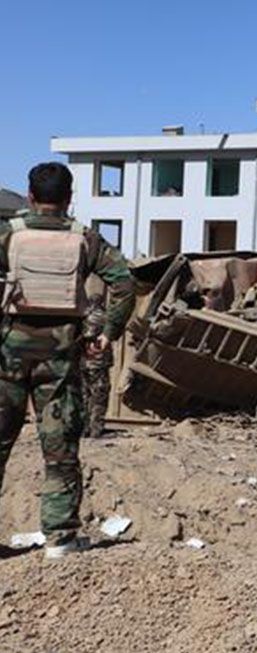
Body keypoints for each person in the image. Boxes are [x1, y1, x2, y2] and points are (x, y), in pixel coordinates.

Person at [0, 163, 134, 559]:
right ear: (69, 198)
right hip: (59, 360)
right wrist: (107, 333)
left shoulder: (9, 235)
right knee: (59, 452)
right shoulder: (85, 240)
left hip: (6, 356)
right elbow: (124, 283)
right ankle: (59, 539)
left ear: (29, 196)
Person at [81, 273, 112, 438]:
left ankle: (83, 429)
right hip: (98, 362)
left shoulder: (82, 316)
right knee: (100, 395)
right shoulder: (102, 316)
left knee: (84, 395)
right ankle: (96, 429)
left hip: (83, 362)